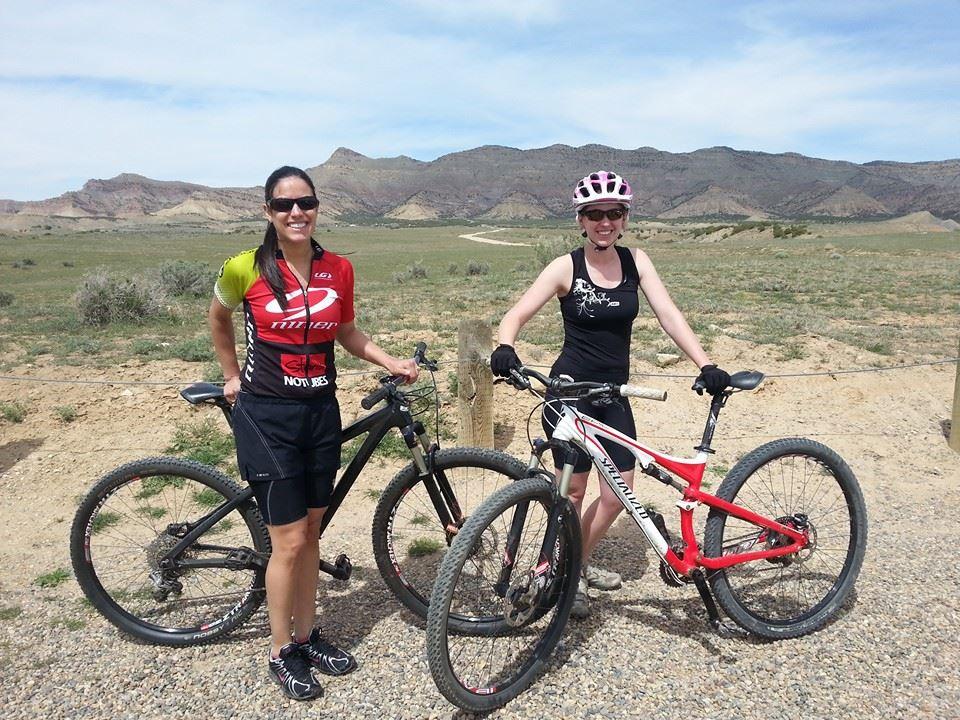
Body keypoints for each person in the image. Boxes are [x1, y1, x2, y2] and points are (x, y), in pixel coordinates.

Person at [209, 165, 418, 700]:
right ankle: (281, 651)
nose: (296, 212)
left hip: (320, 412)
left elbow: (346, 330)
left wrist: (388, 359)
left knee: (312, 538)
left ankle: (305, 634)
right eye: (284, 205)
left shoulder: (338, 269)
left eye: (305, 202)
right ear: (268, 213)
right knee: (289, 542)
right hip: (267, 415)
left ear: (317, 206)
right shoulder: (245, 268)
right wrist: (231, 375)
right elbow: (218, 316)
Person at [490, 170, 728, 619]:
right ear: (581, 219)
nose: (605, 222)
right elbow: (516, 314)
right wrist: (506, 347)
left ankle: (571, 563)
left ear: (624, 217)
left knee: (618, 495)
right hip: (568, 397)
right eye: (595, 214)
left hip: (613, 395)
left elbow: (669, 315)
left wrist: (705, 363)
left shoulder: (636, 261)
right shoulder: (565, 267)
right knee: (574, 492)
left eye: (614, 213)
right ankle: (561, 571)